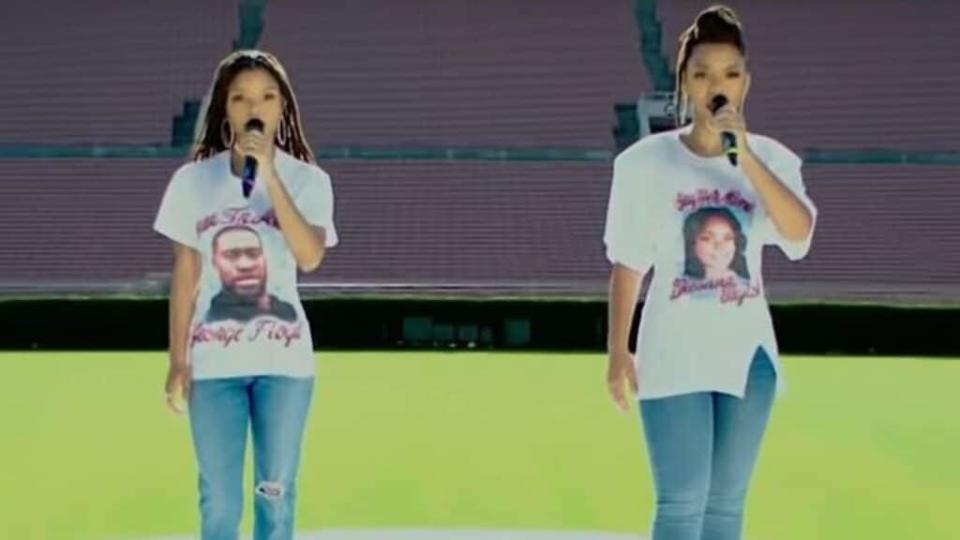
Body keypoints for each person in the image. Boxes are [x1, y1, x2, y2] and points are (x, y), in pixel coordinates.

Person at [603, 5, 816, 540]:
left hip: (748, 359)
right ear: (683, 82)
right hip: (672, 352)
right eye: (701, 74)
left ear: (746, 82)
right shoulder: (642, 165)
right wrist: (617, 351)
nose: (715, 86)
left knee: (725, 507)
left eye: (729, 73)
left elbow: (798, 234)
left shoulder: (771, 159)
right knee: (681, 502)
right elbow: (628, 265)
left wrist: (744, 158)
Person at [153, 49, 338, 540]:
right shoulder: (193, 183)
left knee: (275, 493)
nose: (253, 105)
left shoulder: (310, 182)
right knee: (220, 500)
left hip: (286, 365)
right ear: (225, 109)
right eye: (240, 97)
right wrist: (177, 360)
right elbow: (186, 272)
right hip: (214, 366)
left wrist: (271, 176)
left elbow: (309, 255)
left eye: (266, 96)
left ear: (282, 107)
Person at [206, 225, 297, 323]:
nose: (245, 265)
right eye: (231, 255)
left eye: (254, 253)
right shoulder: (211, 317)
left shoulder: (287, 311)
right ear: (214, 263)